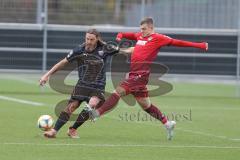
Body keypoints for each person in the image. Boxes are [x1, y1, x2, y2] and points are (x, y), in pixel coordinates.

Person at [87, 17, 208, 140]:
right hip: (134, 74)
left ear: (151, 27)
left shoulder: (159, 38)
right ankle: (167, 123)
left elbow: (179, 42)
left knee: (117, 92)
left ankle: (97, 113)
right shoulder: (140, 36)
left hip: (141, 75)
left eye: (144, 29)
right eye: (141, 29)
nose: (142, 31)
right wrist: (120, 35)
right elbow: (129, 35)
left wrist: (200, 45)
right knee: (146, 106)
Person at [39, 29, 120, 138]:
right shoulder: (79, 50)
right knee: (71, 107)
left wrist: (139, 49)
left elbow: (124, 51)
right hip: (82, 84)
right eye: (87, 39)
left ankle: (73, 129)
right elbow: (63, 63)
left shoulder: (104, 49)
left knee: (92, 104)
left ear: (97, 39)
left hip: (98, 85)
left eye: (92, 39)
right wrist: (46, 75)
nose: (89, 41)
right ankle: (54, 131)